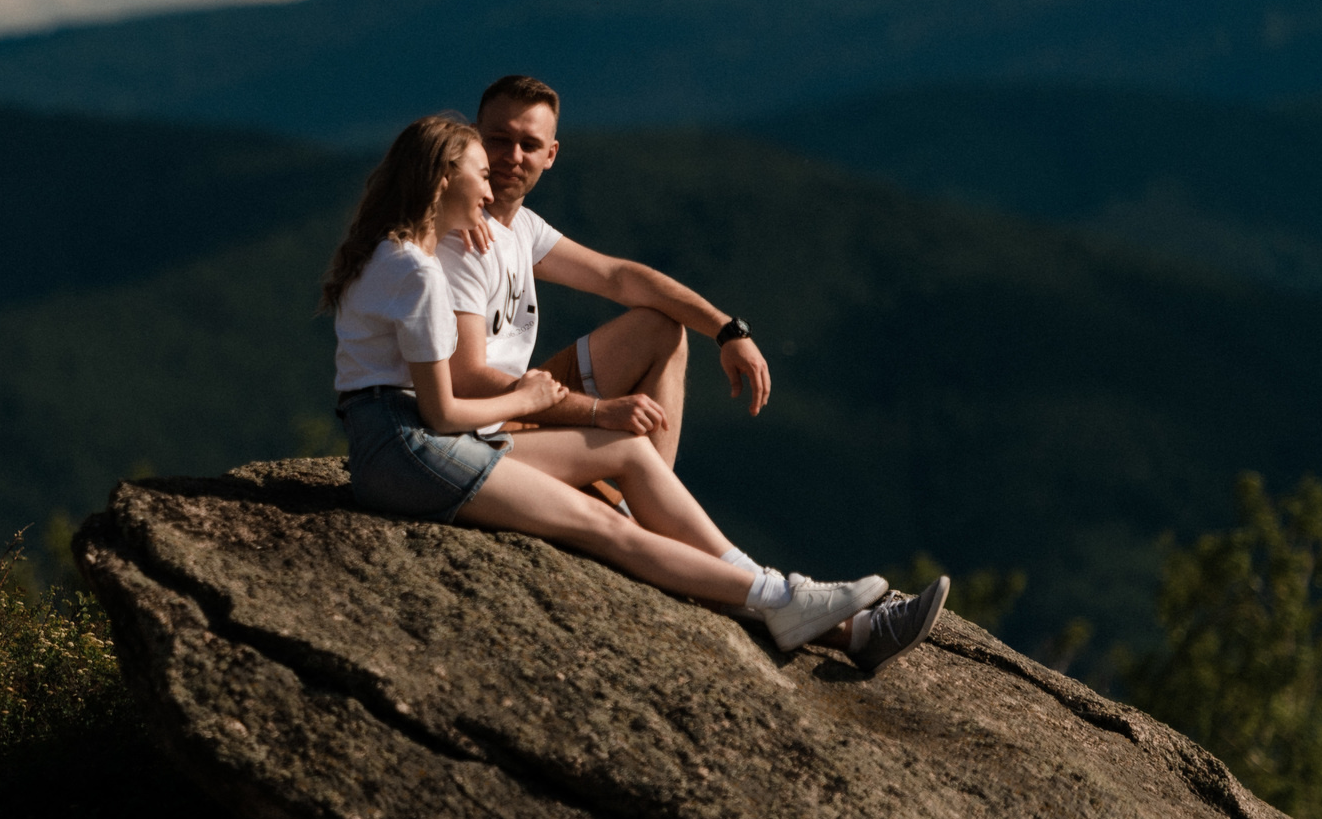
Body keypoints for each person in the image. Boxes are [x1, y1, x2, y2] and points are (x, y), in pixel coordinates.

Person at [326, 113, 949, 672]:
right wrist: (533, 399)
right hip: (408, 441)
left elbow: (621, 278)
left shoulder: (398, 253)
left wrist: (725, 329)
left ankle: (785, 598)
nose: (492, 189)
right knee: (600, 527)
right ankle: (777, 596)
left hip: (405, 438)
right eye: (483, 172)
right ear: (441, 179)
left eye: (519, 154)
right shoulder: (419, 271)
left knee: (627, 453)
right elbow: (444, 408)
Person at [442, 73, 756, 471]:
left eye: (530, 145)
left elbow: (618, 277)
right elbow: (464, 381)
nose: (514, 156)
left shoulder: (522, 227)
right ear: (474, 137)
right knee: (630, 449)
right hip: (474, 426)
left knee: (661, 329)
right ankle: (649, 504)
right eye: (499, 140)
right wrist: (597, 411)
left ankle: (648, 500)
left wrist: (726, 330)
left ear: (551, 154)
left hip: (515, 405)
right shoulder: (454, 230)